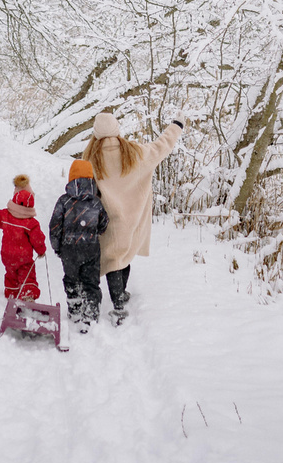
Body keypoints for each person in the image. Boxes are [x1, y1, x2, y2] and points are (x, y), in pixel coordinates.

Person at [84, 111, 184, 323]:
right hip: (132, 219)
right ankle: (119, 301)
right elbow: (162, 145)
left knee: (113, 258)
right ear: (116, 130)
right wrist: (176, 125)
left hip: (107, 219)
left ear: (96, 133)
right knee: (125, 255)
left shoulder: (90, 158)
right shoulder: (135, 152)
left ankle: (118, 300)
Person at [48, 159, 109, 330]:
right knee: (91, 282)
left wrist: (57, 247)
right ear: (91, 180)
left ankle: (75, 311)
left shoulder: (64, 201)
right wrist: (97, 232)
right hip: (90, 247)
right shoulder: (96, 202)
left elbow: (54, 226)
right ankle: (90, 314)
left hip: (69, 249)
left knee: (71, 280)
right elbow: (104, 222)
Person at [0, 173, 47, 299]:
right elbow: (38, 240)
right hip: (23, 258)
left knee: (11, 274)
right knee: (27, 274)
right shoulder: (31, 223)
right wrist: (41, 251)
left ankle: (11, 294)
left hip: (7, 256)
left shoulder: (5, 216)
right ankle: (28, 295)